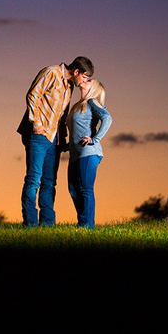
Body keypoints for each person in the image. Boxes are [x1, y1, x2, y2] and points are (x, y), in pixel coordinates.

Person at [18, 56, 93, 227]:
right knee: (33, 179)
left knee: (50, 181)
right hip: (38, 134)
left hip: (55, 139)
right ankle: (30, 223)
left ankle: (48, 224)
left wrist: (63, 138)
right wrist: (36, 124)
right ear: (76, 71)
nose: (84, 81)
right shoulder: (50, 72)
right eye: (84, 77)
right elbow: (32, 96)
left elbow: (61, 114)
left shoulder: (69, 85)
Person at [67, 78, 112, 229]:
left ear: (95, 87)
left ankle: (87, 226)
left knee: (86, 188)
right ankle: (83, 223)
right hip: (75, 154)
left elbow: (107, 118)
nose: (85, 80)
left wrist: (95, 139)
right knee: (73, 189)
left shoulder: (92, 101)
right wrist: (67, 145)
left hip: (89, 152)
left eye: (90, 80)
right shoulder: (77, 105)